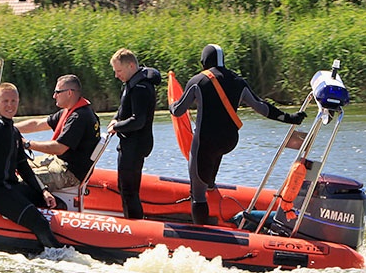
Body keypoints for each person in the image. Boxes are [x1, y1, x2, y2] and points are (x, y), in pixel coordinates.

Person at [170, 44, 307, 225]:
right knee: (214, 154)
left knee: (197, 193)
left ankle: (202, 233)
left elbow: (179, 111)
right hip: (228, 141)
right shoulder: (238, 81)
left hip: (206, 142)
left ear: (204, 62)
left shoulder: (198, 81)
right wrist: (290, 118)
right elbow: (262, 107)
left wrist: (172, 104)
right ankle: (210, 183)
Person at [0, 83, 62, 249]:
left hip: (11, 187)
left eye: (13, 101)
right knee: (40, 223)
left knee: (59, 204)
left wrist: (43, 191)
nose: (10, 105)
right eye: (5, 101)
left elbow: (23, 166)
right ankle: (61, 259)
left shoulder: (13, 131)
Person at [15, 74, 101, 192]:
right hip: (59, 162)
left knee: (17, 181)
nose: (54, 96)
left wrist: (27, 144)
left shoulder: (79, 117)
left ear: (69, 93)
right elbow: (38, 124)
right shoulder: (69, 111)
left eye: (57, 92)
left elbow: (59, 148)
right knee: (16, 166)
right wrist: (9, 127)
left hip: (69, 173)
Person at [106, 48, 161, 219]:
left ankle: (135, 225)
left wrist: (117, 127)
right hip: (130, 143)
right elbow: (125, 110)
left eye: (119, 71)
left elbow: (138, 120)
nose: (116, 75)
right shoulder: (131, 83)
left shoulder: (141, 87)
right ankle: (131, 221)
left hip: (136, 145)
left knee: (129, 190)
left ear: (131, 66)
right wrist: (116, 119)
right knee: (124, 188)